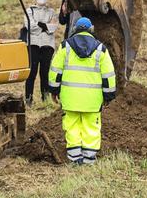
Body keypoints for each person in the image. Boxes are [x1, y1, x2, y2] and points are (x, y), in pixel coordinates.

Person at [48, 17, 116, 165]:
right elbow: (109, 75)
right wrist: (108, 96)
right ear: (91, 29)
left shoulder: (65, 47)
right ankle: (89, 159)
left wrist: (53, 90)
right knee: (91, 127)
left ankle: (74, 158)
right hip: (92, 100)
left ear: (75, 29)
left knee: (72, 126)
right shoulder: (101, 49)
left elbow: (55, 71)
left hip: (70, 98)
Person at [20, 0, 59, 105]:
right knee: (32, 73)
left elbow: (53, 27)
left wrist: (41, 25)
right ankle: (29, 98)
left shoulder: (51, 12)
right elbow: (30, 26)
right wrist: (45, 26)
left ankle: (45, 98)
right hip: (34, 44)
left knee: (45, 72)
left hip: (47, 45)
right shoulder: (29, 11)